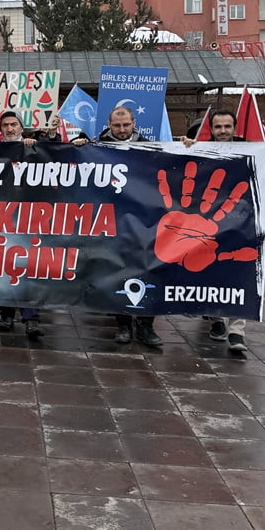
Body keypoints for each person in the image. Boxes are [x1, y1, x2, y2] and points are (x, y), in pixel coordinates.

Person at [184, 108, 265, 353]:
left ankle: (237, 331)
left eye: (227, 126)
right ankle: (216, 319)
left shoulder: (251, 151)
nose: (223, 131)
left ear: (234, 128)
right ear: (212, 128)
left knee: (240, 273)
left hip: (240, 223)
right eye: (218, 127)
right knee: (212, 271)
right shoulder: (201, 148)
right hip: (209, 223)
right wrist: (186, 148)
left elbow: (264, 193)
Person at [96, 105, 162, 348]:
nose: (122, 130)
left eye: (126, 125)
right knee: (118, 272)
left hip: (144, 223)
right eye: (116, 125)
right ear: (109, 126)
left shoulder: (152, 149)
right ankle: (123, 324)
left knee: (148, 270)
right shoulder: (97, 147)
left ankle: (146, 326)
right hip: (112, 223)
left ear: (134, 123)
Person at [0, 110, 44, 337]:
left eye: (14, 124)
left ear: (21, 128)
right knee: (4, 268)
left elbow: (55, 158)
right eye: (5, 125)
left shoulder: (32, 148)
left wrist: (42, 143)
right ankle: (6, 314)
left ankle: (31, 318)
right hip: (2, 218)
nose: (10, 129)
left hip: (29, 218)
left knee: (28, 268)